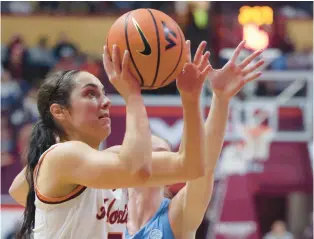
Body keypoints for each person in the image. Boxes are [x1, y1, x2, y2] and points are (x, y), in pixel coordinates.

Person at [9, 42, 209, 239]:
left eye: (104, 93)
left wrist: (191, 98)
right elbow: (137, 169)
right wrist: (132, 94)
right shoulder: (62, 156)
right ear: (59, 111)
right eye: (90, 93)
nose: (106, 101)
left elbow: (191, 167)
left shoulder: (99, 162)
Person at [124, 40, 265, 239]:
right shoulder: (116, 214)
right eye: (146, 151)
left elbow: (204, 168)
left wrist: (220, 99)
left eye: (161, 154)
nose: (152, 157)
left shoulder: (178, 214)